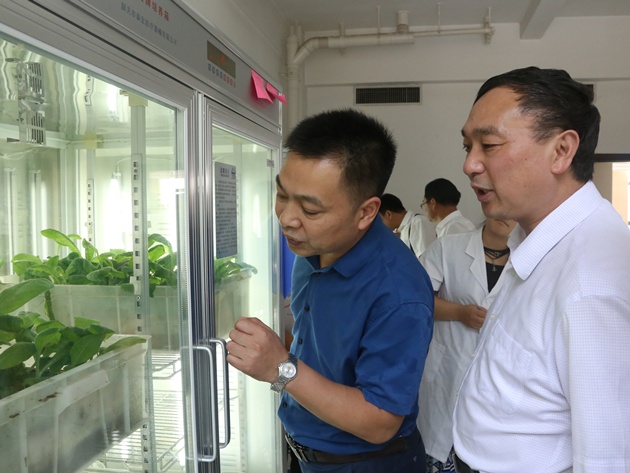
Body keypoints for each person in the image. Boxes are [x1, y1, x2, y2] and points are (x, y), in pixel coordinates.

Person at [226, 108, 434, 473]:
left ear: (366, 212)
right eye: (281, 194)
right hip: (307, 453)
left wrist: (280, 367)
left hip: (366, 465)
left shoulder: (399, 292)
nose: (286, 218)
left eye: (310, 209)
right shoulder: (311, 249)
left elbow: (379, 422)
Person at [453, 66, 630, 473]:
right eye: (467, 146)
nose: (470, 165)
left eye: (489, 145)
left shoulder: (590, 283)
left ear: (562, 150)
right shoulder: (536, 239)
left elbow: (606, 460)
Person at [417, 217, 516, 473]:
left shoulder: (531, 259)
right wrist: (459, 312)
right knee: (439, 454)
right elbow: (416, 299)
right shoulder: (447, 247)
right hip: (447, 371)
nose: (505, 215)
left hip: (499, 383)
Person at [379, 193, 436, 257]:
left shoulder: (418, 223)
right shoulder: (398, 232)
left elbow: (427, 259)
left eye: (380, 220)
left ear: (388, 214)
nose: (380, 226)